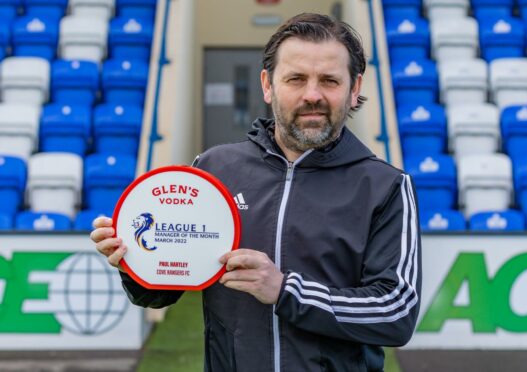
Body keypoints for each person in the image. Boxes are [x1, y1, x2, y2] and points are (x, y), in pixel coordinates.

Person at [91, 12, 421, 372]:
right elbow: (160, 291)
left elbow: (395, 310)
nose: (313, 95)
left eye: (329, 80)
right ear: (267, 84)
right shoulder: (215, 169)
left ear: (354, 88)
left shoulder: (384, 186)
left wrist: (285, 290)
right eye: (296, 79)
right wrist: (133, 259)